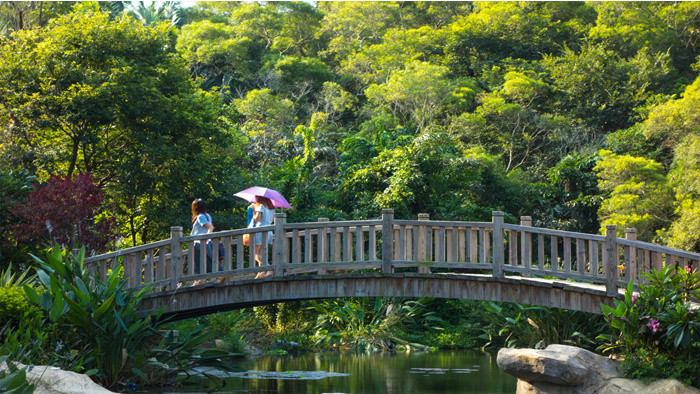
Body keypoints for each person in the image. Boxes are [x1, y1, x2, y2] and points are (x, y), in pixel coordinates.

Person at [190, 199, 223, 285]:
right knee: (208, 259)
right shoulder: (208, 215)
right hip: (205, 242)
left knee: (198, 261)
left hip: (199, 242)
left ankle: (198, 280)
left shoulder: (200, 216)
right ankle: (216, 276)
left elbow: (210, 227)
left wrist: (206, 238)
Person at [252, 195, 275, 279]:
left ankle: (269, 268)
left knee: (255, 253)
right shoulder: (271, 207)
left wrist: (254, 211)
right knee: (261, 254)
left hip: (260, 231)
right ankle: (260, 274)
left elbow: (257, 219)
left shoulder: (261, 206)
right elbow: (272, 220)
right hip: (268, 231)